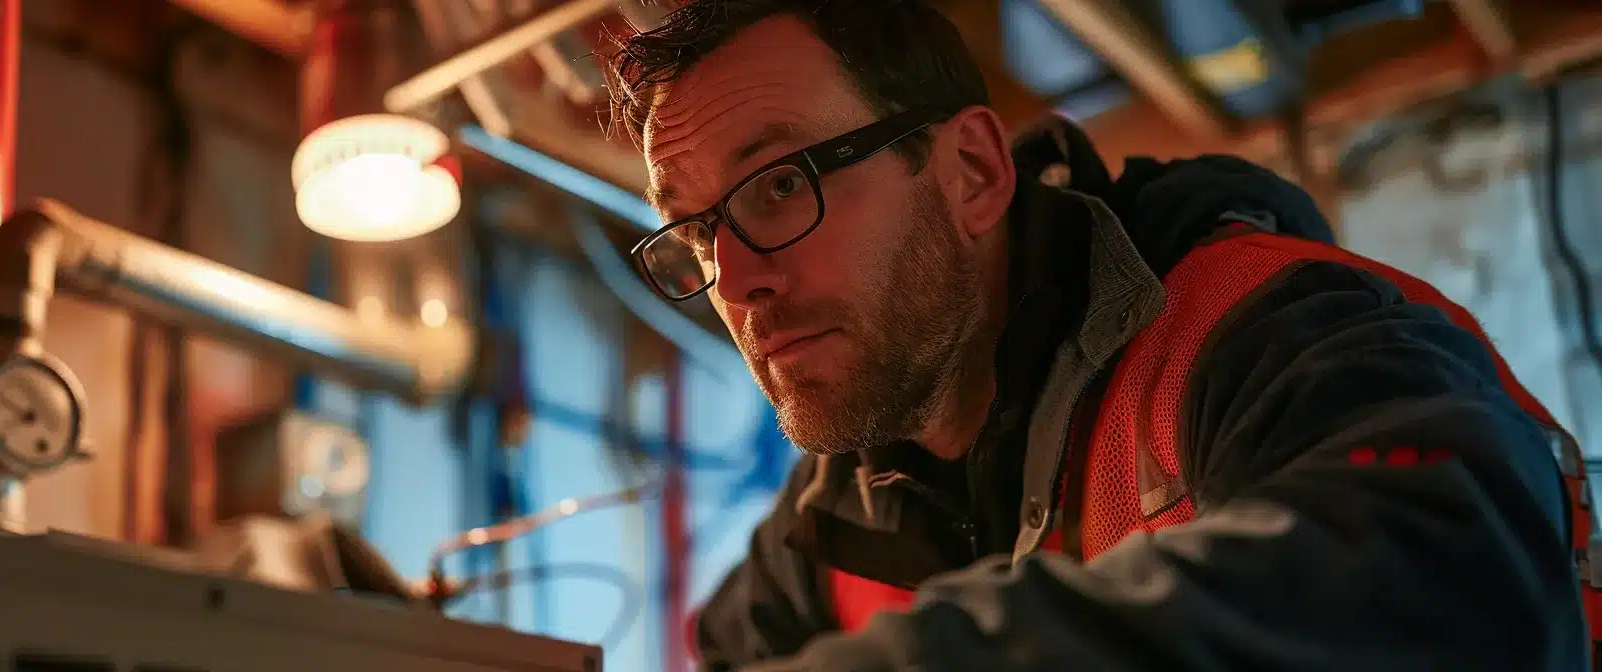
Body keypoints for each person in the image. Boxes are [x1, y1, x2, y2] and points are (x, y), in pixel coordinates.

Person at [604, 1, 1595, 670]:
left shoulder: (1273, 333)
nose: (732, 281)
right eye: (694, 231)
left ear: (973, 175)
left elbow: (1457, 580)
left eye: (780, 185)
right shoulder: (833, 516)